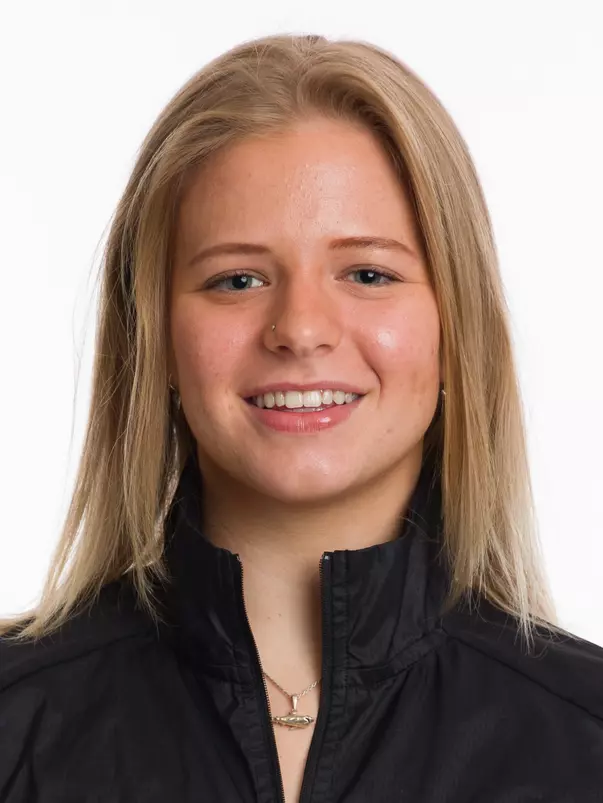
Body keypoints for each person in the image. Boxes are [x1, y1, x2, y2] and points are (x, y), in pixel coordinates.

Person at [1, 32, 602, 803]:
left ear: (457, 326)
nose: (301, 327)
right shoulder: (17, 726)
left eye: (367, 272)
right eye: (238, 278)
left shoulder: (583, 743)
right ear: (154, 340)